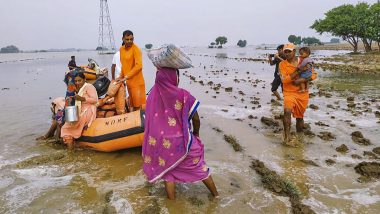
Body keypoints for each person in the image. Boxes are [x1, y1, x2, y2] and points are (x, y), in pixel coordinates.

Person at [142, 66, 219, 200]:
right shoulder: (183, 95)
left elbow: (149, 121)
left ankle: (172, 203)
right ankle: (216, 196)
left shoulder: (151, 97)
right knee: (199, 168)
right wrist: (196, 134)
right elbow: (196, 118)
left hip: (161, 143)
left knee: (168, 172)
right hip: (181, 142)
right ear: (174, 77)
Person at [279, 43, 317, 145]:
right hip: (289, 92)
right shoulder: (282, 64)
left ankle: (300, 137)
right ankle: (286, 138)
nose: (286, 53)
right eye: (285, 51)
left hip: (302, 94)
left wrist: (302, 80)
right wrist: (299, 71)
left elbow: (314, 75)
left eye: (289, 51)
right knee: (287, 111)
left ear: (294, 52)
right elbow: (284, 80)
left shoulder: (304, 60)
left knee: (299, 117)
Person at [61, 72, 98, 149]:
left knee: (64, 126)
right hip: (74, 110)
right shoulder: (72, 89)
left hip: (86, 110)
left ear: (84, 79)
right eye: (76, 81)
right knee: (60, 121)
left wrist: (82, 99)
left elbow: (95, 100)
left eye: (79, 80)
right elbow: (67, 104)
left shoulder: (88, 86)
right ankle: (66, 144)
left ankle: (69, 150)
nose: (77, 82)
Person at [116, 30, 146, 111]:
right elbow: (124, 65)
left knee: (138, 106)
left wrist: (126, 77)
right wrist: (120, 77)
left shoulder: (136, 49)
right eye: (127, 39)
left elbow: (139, 66)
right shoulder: (121, 49)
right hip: (129, 82)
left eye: (131, 39)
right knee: (132, 104)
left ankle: (142, 122)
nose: (129, 41)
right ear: (122, 39)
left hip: (137, 83)